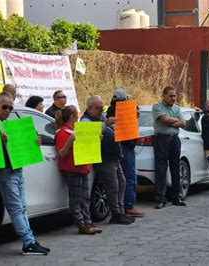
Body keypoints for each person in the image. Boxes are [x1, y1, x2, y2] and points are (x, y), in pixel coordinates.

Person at [0, 92, 50, 255]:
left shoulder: (8, 123)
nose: (8, 110)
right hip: (4, 172)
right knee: (16, 209)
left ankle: (29, 242)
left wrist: (35, 141)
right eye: (4, 107)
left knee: (21, 208)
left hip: (16, 170)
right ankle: (29, 242)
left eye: (10, 107)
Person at [80, 95, 133, 225]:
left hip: (114, 157)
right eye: (99, 108)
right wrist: (106, 124)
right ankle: (115, 214)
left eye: (102, 108)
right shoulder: (86, 120)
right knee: (112, 187)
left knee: (122, 183)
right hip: (103, 159)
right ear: (90, 108)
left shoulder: (100, 117)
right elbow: (88, 135)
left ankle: (120, 211)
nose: (101, 111)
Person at [54, 105, 102, 235]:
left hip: (82, 168)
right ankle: (81, 225)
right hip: (72, 169)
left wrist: (96, 139)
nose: (79, 117)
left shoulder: (77, 130)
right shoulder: (63, 132)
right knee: (76, 199)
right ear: (72, 117)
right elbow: (62, 154)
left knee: (85, 198)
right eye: (77, 115)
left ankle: (87, 222)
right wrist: (70, 141)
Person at [109, 88, 145, 218]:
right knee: (129, 177)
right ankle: (128, 205)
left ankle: (124, 205)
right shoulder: (117, 111)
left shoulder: (112, 110)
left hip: (124, 146)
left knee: (124, 178)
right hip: (125, 146)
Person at [152, 86, 187, 209]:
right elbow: (164, 120)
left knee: (175, 168)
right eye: (171, 96)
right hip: (162, 139)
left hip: (174, 140)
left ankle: (176, 197)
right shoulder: (157, 107)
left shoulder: (177, 108)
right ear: (164, 95)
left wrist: (173, 121)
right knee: (161, 169)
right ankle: (161, 199)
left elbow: (184, 123)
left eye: (175, 96)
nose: (173, 98)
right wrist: (177, 121)